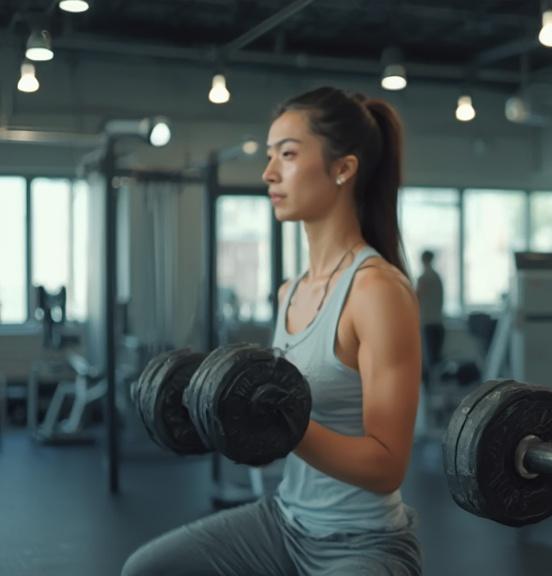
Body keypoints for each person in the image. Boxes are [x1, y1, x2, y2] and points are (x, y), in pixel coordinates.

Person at [122, 87, 422, 576]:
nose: (268, 173)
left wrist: (274, 420)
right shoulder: (291, 291)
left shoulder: (376, 292)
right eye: (269, 156)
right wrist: (215, 410)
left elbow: (387, 466)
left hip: (363, 543)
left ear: (342, 168)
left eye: (288, 154)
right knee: (147, 570)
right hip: (284, 523)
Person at [416, 250, 445, 384]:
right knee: (436, 358)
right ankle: (436, 385)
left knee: (428, 359)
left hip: (427, 323)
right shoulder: (437, 277)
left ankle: (431, 388)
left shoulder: (423, 279)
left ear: (423, 260)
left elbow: (416, 299)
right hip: (438, 322)